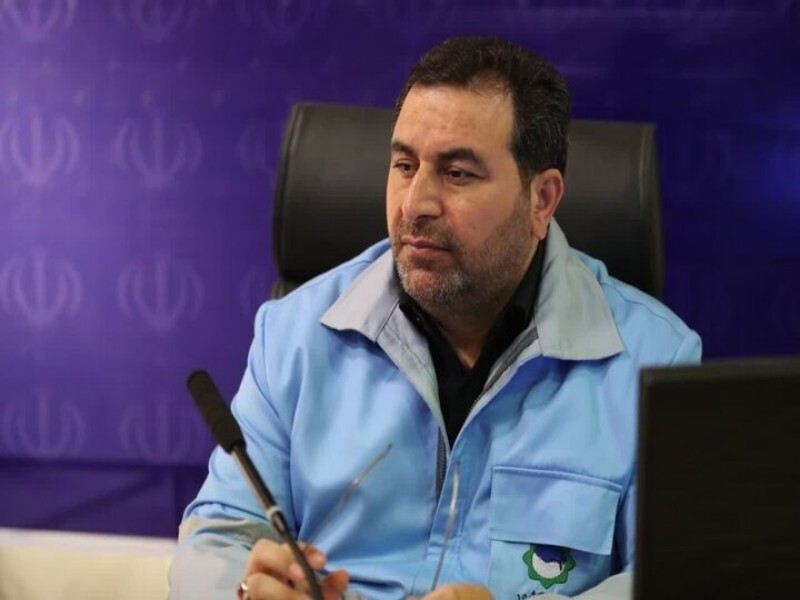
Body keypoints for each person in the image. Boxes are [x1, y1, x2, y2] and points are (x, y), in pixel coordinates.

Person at [169, 36, 701, 600]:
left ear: (541, 199)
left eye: (458, 174)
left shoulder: (654, 360)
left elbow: (678, 577)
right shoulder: (294, 334)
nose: (415, 204)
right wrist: (246, 591)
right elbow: (218, 534)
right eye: (404, 165)